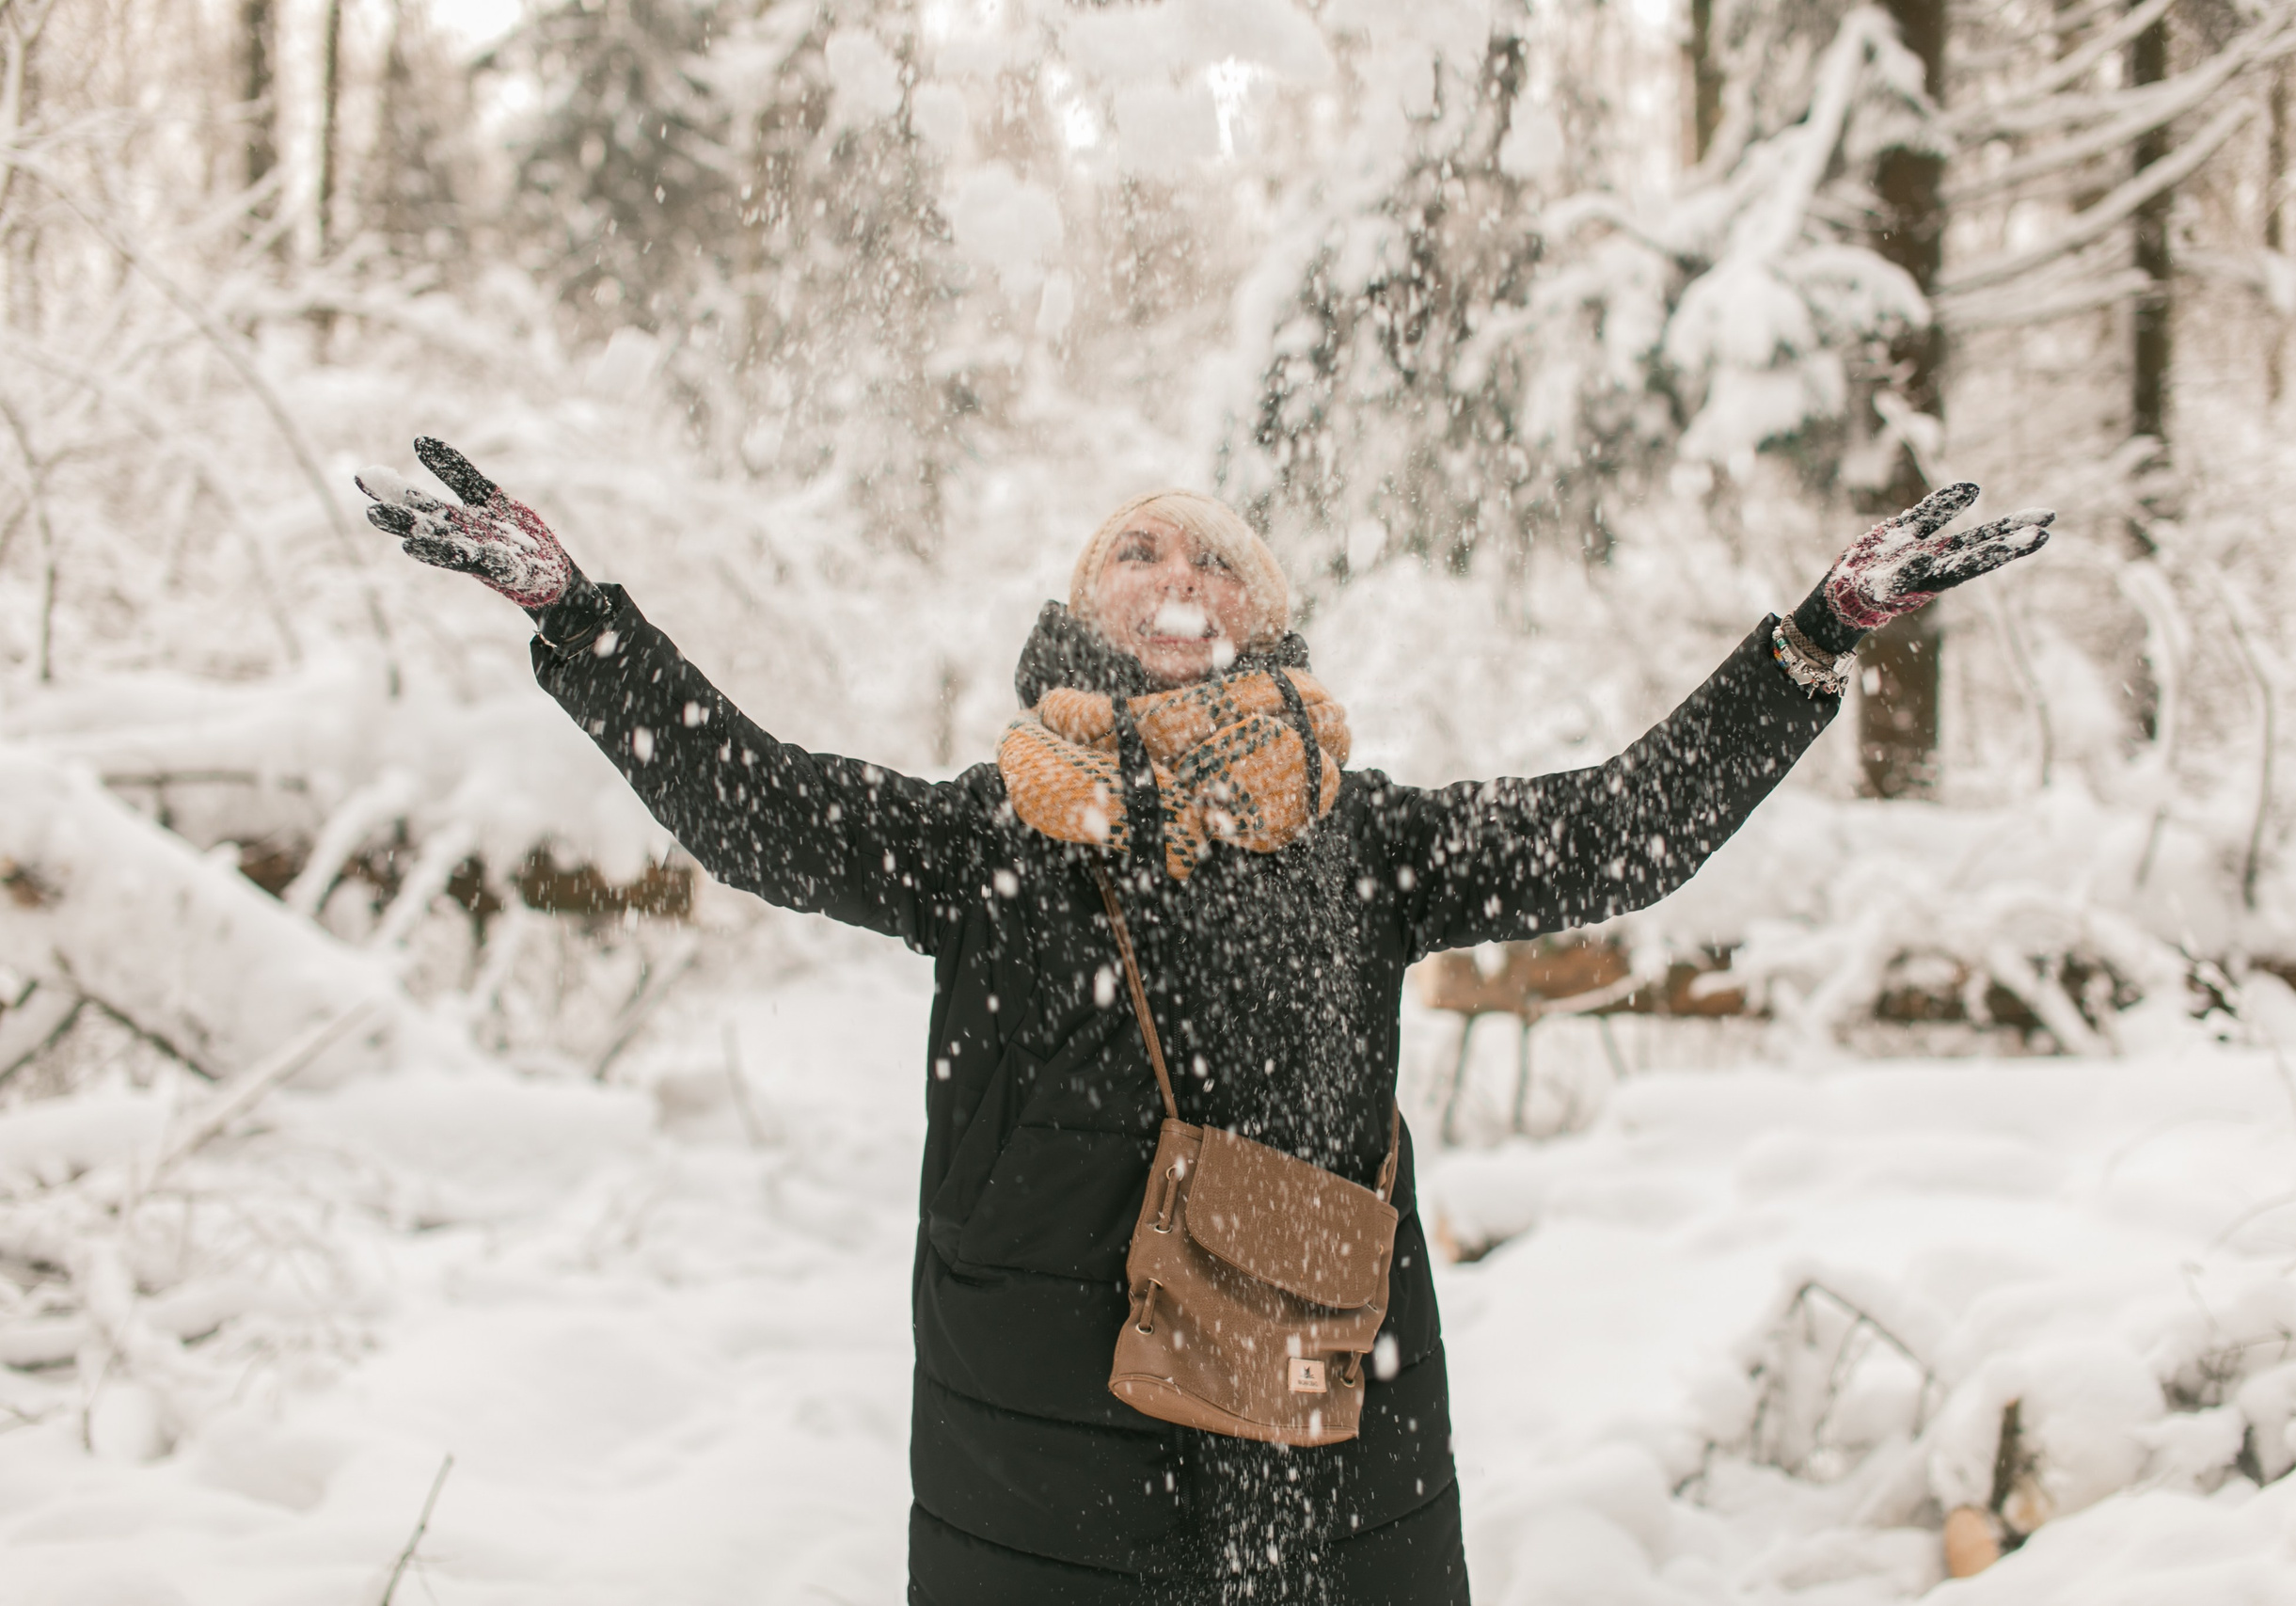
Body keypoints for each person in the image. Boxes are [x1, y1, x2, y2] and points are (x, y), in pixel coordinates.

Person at [357, 443, 2051, 1604]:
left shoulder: (1363, 841)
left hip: (1321, 1444)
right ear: (1083, 613)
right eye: (1140, 550)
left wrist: (1812, 643)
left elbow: (1621, 829)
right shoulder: (989, 837)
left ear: (1264, 617)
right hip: (1042, 1464)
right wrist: (579, 620)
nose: (1181, 573)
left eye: (1218, 556)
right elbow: (759, 807)